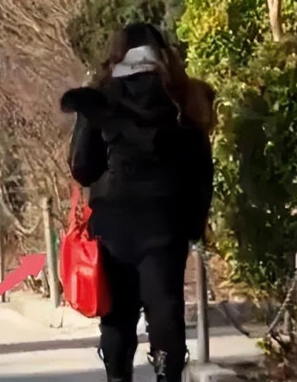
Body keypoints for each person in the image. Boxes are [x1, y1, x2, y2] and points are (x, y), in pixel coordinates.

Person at [60, 23, 215, 382]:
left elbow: (83, 167)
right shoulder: (183, 95)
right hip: (165, 223)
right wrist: (195, 224)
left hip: (113, 223)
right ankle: (166, 375)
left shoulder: (100, 97)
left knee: (117, 315)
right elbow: (200, 169)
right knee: (165, 310)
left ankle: (118, 376)